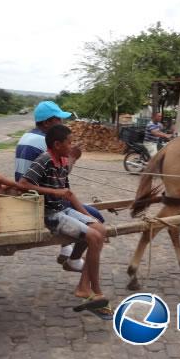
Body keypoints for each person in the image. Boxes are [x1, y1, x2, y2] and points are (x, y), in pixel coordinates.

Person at [18, 125, 112, 320]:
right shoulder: (44, 160)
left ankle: (83, 287)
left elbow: (69, 194)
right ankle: (96, 291)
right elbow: (23, 184)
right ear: (57, 144)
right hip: (50, 214)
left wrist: (90, 217)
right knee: (94, 237)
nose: (72, 145)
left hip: (64, 208)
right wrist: (54, 192)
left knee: (100, 229)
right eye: (69, 142)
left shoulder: (61, 161)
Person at [14, 100, 104, 272]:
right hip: (42, 200)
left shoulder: (27, 136)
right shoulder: (45, 144)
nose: (62, 124)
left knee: (76, 208)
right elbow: (61, 175)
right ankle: (75, 260)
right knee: (96, 216)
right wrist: (73, 158)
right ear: (47, 122)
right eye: (59, 120)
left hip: (33, 194)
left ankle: (65, 248)